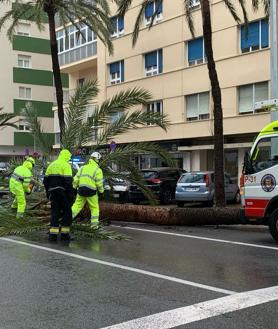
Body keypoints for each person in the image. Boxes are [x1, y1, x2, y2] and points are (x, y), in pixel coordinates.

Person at [43, 149, 74, 242]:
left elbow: (45, 181)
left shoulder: (52, 165)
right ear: (67, 157)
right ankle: (64, 235)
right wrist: (70, 196)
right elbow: (68, 182)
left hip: (53, 193)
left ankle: (53, 236)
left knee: (55, 213)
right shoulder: (66, 165)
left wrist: (48, 193)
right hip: (63, 193)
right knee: (67, 212)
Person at [72, 151, 104, 227]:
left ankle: (66, 220)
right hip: (91, 193)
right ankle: (94, 226)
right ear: (97, 160)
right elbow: (99, 183)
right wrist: (101, 192)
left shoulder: (83, 168)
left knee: (76, 207)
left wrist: (74, 188)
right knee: (94, 208)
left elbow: (76, 179)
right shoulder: (98, 170)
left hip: (81, 191)